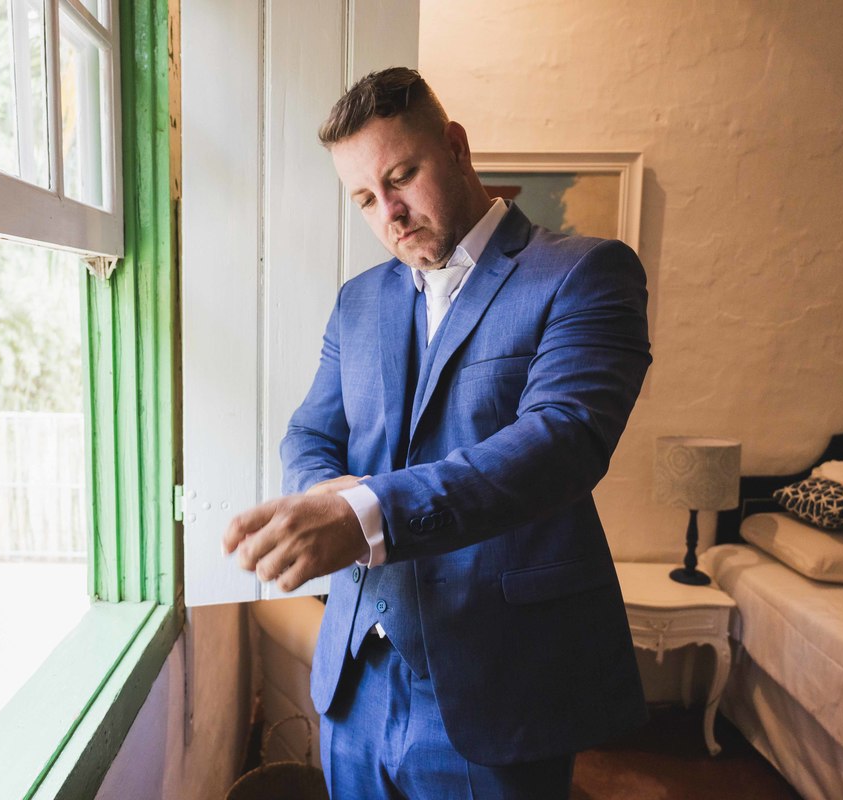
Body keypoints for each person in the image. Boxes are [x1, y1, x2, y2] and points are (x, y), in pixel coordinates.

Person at [222, 67, 651, 799]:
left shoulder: (585, 273)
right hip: (355, 680)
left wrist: (363, 516)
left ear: (455, 147)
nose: (388, 212)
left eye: (401, 176)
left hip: (501, 681)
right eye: (364, 198)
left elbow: (563, 439)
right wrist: (322, 496)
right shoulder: (357, 302)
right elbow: (309, 432)